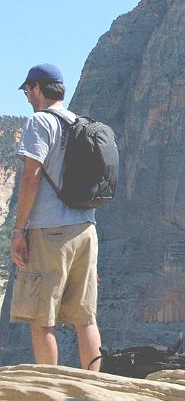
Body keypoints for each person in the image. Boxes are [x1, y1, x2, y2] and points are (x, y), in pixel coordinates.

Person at [10, 63, 102, 371]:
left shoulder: (40, 122)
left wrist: (19, 230)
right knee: (85, 318)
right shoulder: (81, 124)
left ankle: (51, 387)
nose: (27, 96)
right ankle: (94, 387)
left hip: (50, 231)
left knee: (41, 317)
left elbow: (30, 177)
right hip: (86, 229)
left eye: (27, 90)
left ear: (37, 88)